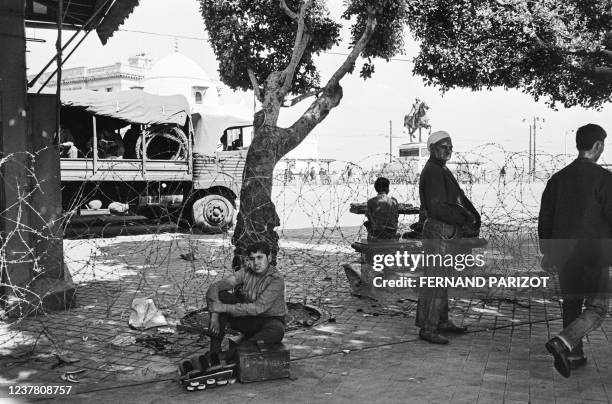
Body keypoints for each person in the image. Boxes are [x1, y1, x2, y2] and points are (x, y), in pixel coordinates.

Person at [538, 123, 611, 378]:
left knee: (571, 304)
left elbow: (544, 219)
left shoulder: (557, 179)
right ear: (598, 145)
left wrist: (547, 252)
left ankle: (574, 355)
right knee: (598, 308)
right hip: (594, 256)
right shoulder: (605, 180)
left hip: (564, 255)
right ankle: (563, 341)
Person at [417, 130, 480, 344]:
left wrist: (471, 214)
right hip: (439, 231)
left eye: (451, 147)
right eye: (444, 146)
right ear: (433, 148)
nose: (449, 150)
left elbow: (457, 197)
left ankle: (441, 321)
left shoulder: (440, 169)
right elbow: (438, 207)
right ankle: (430, 327)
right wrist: (464, 218)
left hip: (445, 231)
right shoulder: (434, 171)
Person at [206, 241, 287, 359]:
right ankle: (214, 351)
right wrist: (214, 315)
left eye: (260, 257)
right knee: (222, 295)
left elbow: (258, 308)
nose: (256, 263)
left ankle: (224, 357)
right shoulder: (246, 271)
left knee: (275, 331)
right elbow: (215, 287)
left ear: (269, 258)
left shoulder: (276, 280)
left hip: (271, 322)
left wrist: (222, 308)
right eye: (252, 259)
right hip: (250, 320)